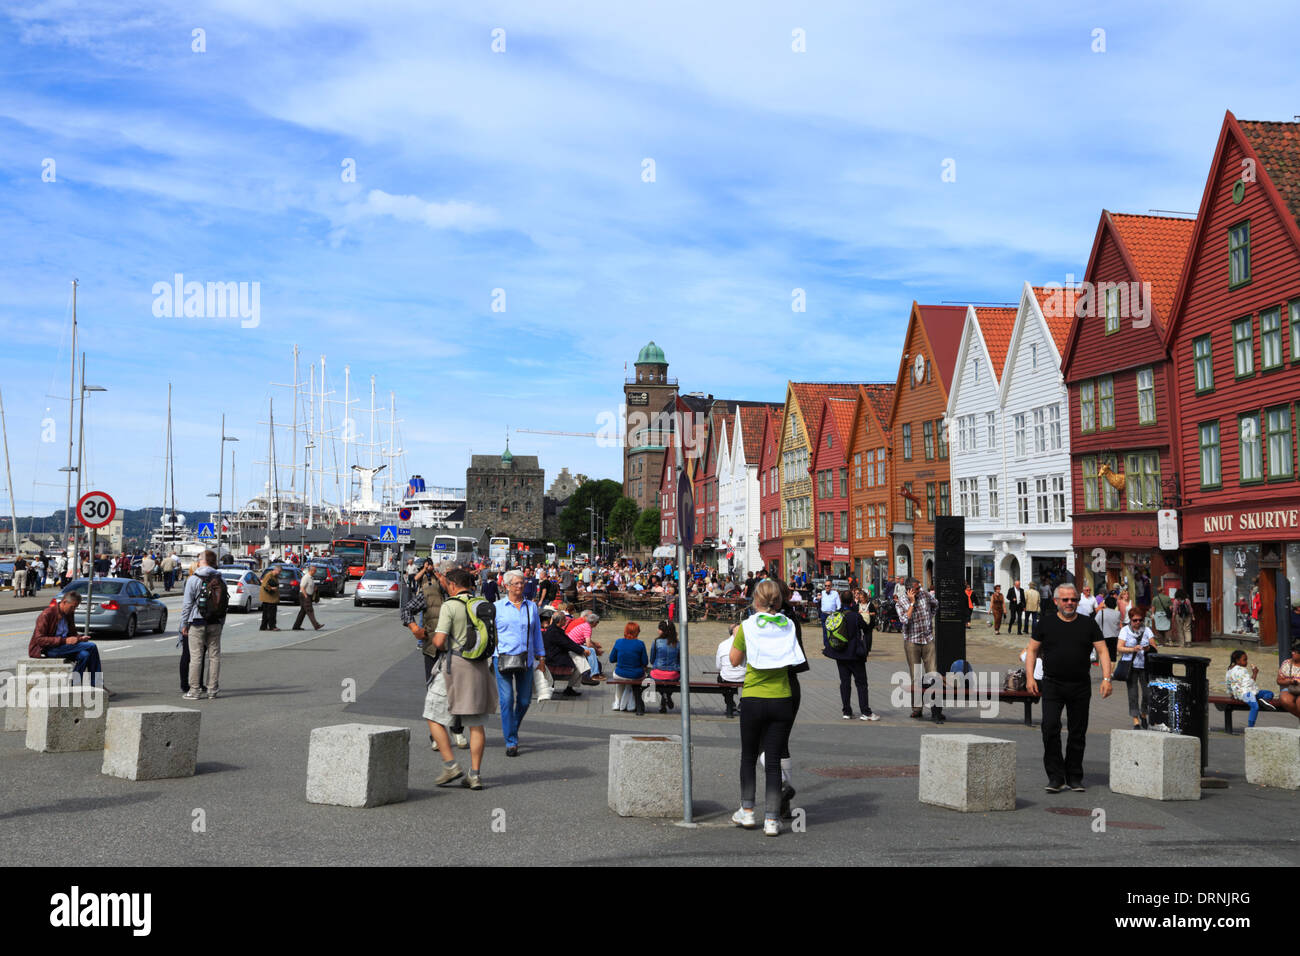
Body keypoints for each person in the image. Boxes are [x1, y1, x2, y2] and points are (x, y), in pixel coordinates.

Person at [729, 579, 806, 837]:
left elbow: (735, 661)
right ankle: (772, 819)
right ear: (780, 600)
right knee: (773, 761)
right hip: (782, 697)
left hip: (753, 697)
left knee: (749, 757)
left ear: (756, 600)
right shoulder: (788, 626)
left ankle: (747, 811)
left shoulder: (747, 627)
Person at [1025, 583, 1112, 793]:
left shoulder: (1088, 624)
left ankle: (1074, 776)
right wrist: (1030, 678)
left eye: (1073, 599)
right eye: (1065, 600)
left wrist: (1107, 678)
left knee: (1077, 732)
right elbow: (1032, 650)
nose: (1070, 603)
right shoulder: (1046, 623)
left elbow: (1102, 651)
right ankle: (1055, 777)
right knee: (1050, 728)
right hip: (1053, 684)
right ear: (1056, 601)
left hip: (1080, 685)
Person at [423, 568, 498, 790]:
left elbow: (439, 642)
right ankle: (474, 775)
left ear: (453, 585)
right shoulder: (481, 604)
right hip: (480, 668)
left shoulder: (451, 605)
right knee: (476, 725)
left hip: (454, 667)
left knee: (432, 714)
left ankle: (451, 765)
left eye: (446, 583)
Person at [493, 569, 544, 757]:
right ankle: (511, 741)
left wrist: (542, 656)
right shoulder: (497, 607)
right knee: (506, 700)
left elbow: (536, 632)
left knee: (523, 700)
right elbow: (491, 634)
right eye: (516, 583)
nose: (521, 586)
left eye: (523, 583)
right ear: (507, 586)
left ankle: (512, 727)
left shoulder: (531, 607)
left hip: (526, 658)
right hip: (503, 658)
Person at [29, 591, 107, 691]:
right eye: (72, 607)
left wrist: (79, 638)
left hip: (63, 647)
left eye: (75, 607)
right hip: (47, 649)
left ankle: (75, 686)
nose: (73, 610)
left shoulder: (68, 614)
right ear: (64, 602)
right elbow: (39, 640)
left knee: (85, 655)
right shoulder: (47, 614)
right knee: (91, 646)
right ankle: (97, 684)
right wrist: (65, 641)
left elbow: (72, 633)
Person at [181, 550, 227, 700]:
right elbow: (224, 604)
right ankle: (212, 690)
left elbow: (187, 605)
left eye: (199, 558)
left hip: (197, 621)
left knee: (196, 657)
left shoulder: (193, 579)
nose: (198, 560)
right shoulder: (221, 579)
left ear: (203, 561)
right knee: (214, 656)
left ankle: (194, 690)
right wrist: (221, 622)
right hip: (215, 622)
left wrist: (184, 624)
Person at [896, 576, 943, 723]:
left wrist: (930, 617)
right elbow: (904, 620)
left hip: (928, 639)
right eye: (916, 588)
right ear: (909, 589)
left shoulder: (925, 594)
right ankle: (917, 708)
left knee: (933, 674)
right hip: (912, 642)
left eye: (919, 587)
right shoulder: (901, 601)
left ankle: (936, 710)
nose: (919, 590)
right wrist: (912, 603)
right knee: (916, 675)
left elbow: (936, 604)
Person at [823, 594, 876, 720]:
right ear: (853, 600)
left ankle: (846, 711)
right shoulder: (855, 616)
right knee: (861, 683)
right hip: (854, 655)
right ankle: (866, 712)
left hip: (840, 654)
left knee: (845, 683)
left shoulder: (836, 615)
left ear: (840, 600)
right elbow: (866, 627)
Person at [1116, 609, 1157, 729]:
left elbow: (1154, 646)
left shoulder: (1147, 630)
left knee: (1147, 693)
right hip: (1131, 665)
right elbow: (1119, 648)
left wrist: (1147, 648)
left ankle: (1143, 714)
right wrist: (1132, 649)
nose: (1138, 622)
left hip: (1145, 666)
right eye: (1135, 620)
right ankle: (1135, 720)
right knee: (1133, 694)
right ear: (1130, 619)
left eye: (1140, 620)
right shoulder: (1125, 631)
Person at [542, 608, 588, 697]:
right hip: (554, 658)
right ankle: (573, 685)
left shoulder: (555, 629)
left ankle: (584, 675)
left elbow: (568, 642)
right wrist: (582, 650)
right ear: (560, 621)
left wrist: (581, 650)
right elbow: (567, 644)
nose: (566, 621)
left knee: (580, 660)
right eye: (565, 619)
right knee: (579, 666)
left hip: (556, 655)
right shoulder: (555, 631)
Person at [1226, 650, 1276, 729]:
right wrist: (1255, 673)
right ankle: (1250, 727)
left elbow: (1228, 684)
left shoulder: (1229, 670)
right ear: (1237, 660)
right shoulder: (1242, 670)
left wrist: (1231, 693)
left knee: (1269, 693)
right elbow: (1249, 684)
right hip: (1246, 694)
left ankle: (1262, 700)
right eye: (1245, 660)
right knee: (1255, 706)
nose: (1247, 662)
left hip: (1243, 693)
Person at [609, 621, 650, 714]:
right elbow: (645, 662)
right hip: (636, 674)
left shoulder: (618, 642)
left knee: (621, 680)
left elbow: (611, 659)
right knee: (631, 682)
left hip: (620, 674)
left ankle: (617, 702)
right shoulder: (640, 644)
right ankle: (631, 704)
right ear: (637, 632)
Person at [648, 620, 681, 713]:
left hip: (657, 673)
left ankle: (664, 697)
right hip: (673, 674)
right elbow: (680, 661)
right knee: (673, 679)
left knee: (656, 678)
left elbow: (651, 660)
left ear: (662, 631)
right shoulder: (677, 644)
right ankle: (667, 696)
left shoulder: (656, 642)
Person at [715, 624, 746, 718]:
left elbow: (718, 666)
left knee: (721, 679)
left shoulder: (722, 644)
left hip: (726, 676)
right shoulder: (747, 644)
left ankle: (730, 703)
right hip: (743, 676)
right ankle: (742, 702)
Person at [1094, 593, 1122, 670]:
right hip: (1114, 636)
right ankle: (1111, 672)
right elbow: (1118, 624)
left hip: (1103, 636)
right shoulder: (1118, 613)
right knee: (1113, 655)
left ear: (1106, 604)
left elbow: (1095, 623)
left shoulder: (1101, 612)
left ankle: (1106, 672)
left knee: (1104, 655)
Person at [292, 562, 324, 631]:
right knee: (310, 610)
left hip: (307, 595)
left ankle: (296, 626)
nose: (315, 572)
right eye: (315, 571)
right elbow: (302, 587)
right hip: (304, 595)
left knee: (303, 612)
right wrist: (306, 596)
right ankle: (316, 625)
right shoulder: (306, 577)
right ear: (311, 570)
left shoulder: (311, 578)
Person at [1276, 641, 1300, 723]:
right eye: (1292, 651)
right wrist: (1289, 681)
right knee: (1285, 699)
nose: (1292, 653)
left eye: (1295, 652)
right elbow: (1279, 680)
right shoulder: (1286, 663)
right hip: (1290, 688)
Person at [258, 564, 281, 631]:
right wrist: (272, 588)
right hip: (269, 597)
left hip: (270, 597)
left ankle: (264, 626)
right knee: (271, 613)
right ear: (276, 570)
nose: (280, 573)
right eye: (279, 571)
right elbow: (265, 585)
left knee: (266, 613)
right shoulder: (269, 575)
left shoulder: (274, 576)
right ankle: (272, 626)